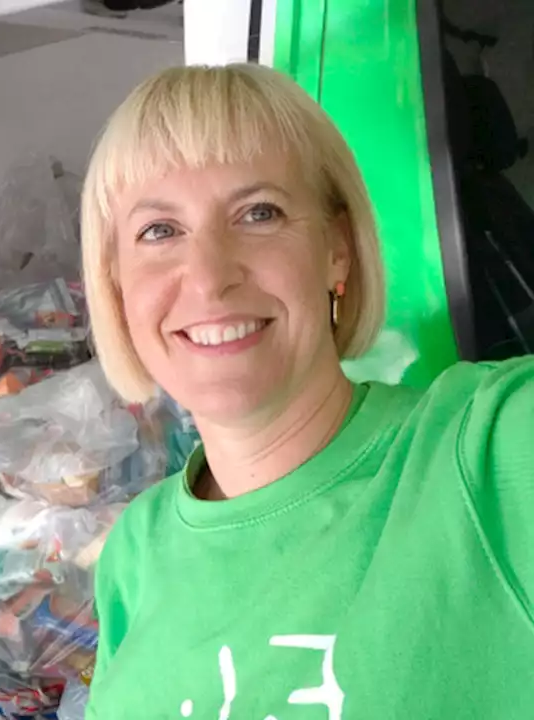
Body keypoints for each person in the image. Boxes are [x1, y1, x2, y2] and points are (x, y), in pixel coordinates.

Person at [77, 64, 534, 718]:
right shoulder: (132, 554)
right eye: (159, 231)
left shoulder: (490, 456)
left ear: (337, 250)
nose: (208, 277)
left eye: (258, 213)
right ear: (116, 282)